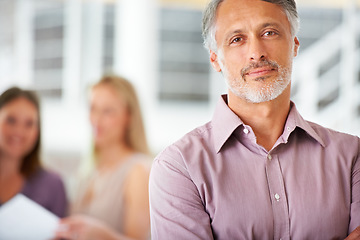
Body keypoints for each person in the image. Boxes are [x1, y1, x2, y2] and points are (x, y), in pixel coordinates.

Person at [149, 0, 360, 239]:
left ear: (294, 45)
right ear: (215, 59)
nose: (256, 52)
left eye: (269, 33)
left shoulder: (352, 155)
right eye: (237, 39)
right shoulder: (178, 168)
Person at [55, 75, 152, 240]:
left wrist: (104, 236)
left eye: (108, 111)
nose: (96, 120)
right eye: (93, 108)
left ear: (129, 116)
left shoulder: (138, 170)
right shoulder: (89, 171)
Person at [0, 87, 67, 218]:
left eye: (29, 124)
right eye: (11, 120)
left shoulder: (53, 185)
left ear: (37, 131)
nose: (19, 131)